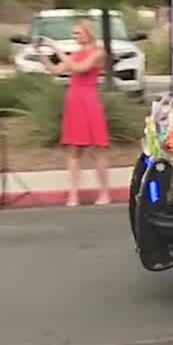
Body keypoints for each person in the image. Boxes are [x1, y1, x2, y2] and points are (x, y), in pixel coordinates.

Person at [38, 20, 112, 206]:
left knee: (98, 149)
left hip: (89, 98)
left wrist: (57, 48)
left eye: (78, 33)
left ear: (88, 34)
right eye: (74, 33)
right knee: (74, 149)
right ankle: (73, 194)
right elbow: (55, 71)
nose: (75, 36)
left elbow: (80, 68)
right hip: (74, 100)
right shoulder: (76, 55)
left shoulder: (97, 53)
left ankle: (104, 192)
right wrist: (43, 55)